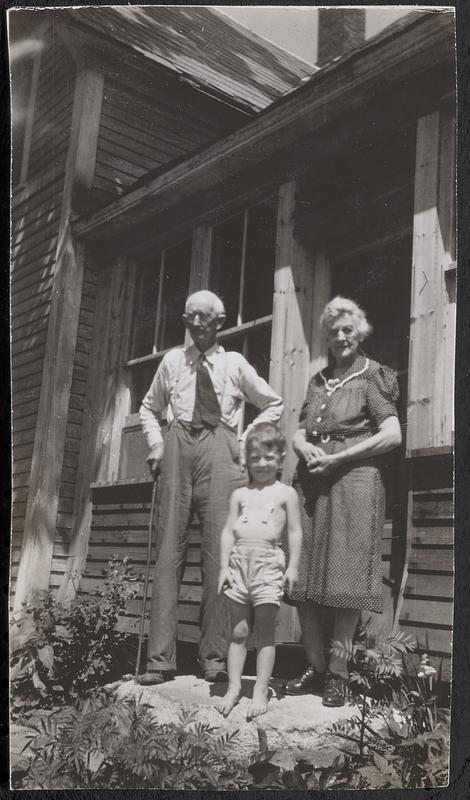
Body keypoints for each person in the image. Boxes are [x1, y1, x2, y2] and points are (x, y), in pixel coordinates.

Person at [138, 290, 283, 685]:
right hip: (177, 450)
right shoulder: (172, 361)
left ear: (219, 322)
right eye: (189, 317)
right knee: (169, 551)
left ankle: (215, 658)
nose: (196, 324)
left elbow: (273, 403)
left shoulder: (233, 364)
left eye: (204, 317)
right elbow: (148, 409)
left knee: (219, 558)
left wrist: (245, 438)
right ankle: (160, 660)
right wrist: (155, 443)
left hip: (222, 454)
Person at [283, 296, 402, 707]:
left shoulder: (374, 377)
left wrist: (340, 456)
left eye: (347, 329)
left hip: (355, 481)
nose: (340, 337)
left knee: (346, 580)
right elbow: (299, 430)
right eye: (333, 331)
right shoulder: (319, 381)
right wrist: (304, 448)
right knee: (304, 580)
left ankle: (340, 672)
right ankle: (315, 667)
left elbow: (392, 434)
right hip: (313, 484)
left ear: (360, 332)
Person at [216, 423, 302, 719]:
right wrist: (223, 567)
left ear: (280, 459)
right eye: (254, 458)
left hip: (268, 566)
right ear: (246, 460)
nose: (261, 464)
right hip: (239, 566)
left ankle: (261, 688)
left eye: (268, 457)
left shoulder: (285, 493)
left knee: (264, 631)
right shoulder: (240, 495)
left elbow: (294, 531)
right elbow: (228, 531)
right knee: (238, 631)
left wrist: (292, 566)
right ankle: (233, 687)